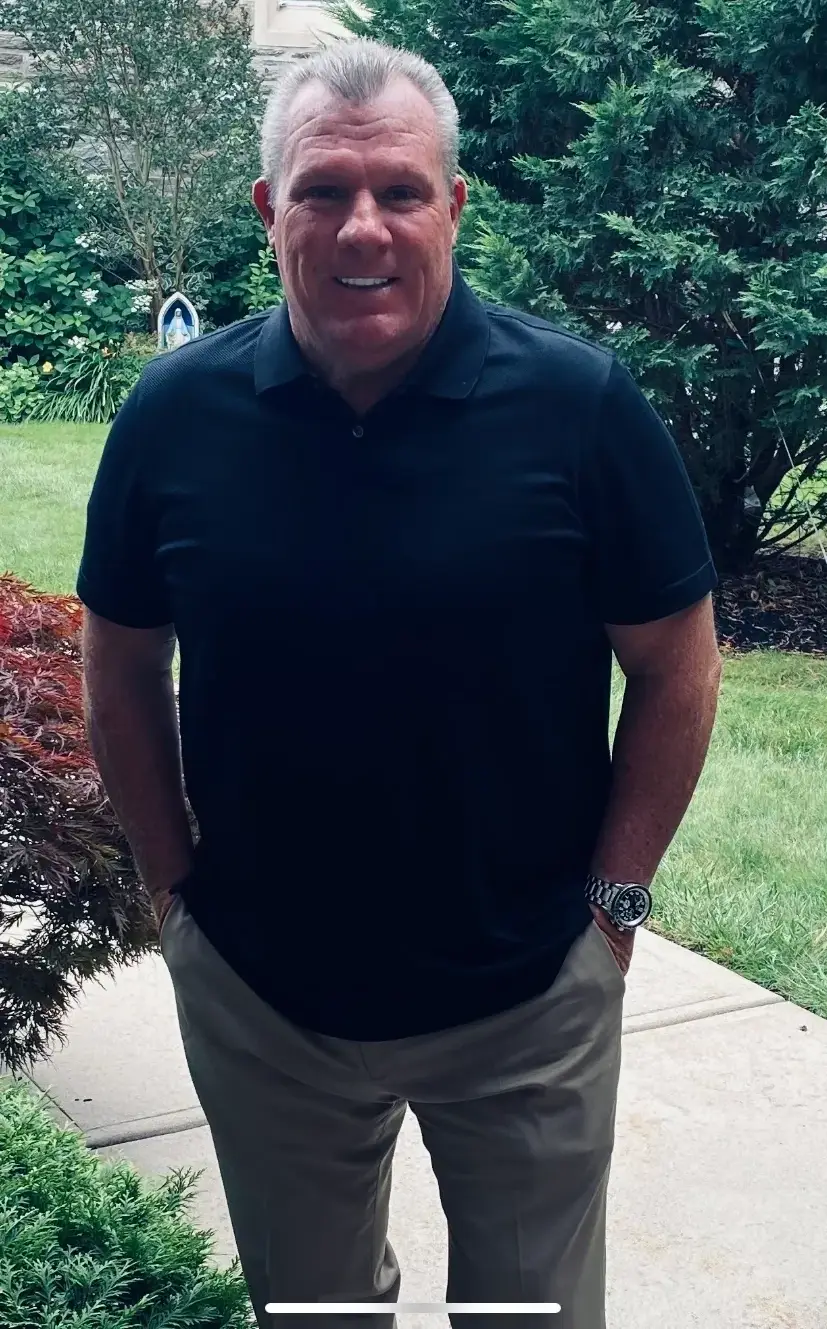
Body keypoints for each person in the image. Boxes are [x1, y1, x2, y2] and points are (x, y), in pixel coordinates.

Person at [77, 38, 722, 1329]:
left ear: (453, 205)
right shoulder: (173, 418)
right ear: (270, 213)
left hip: (530, 996)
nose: (361, 225)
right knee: (314, 1318)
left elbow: (677, 666)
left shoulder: (578, 407)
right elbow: (122, 662)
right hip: (266, 1000)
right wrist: (174, 896)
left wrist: (614, 906)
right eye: (323, 191)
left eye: (399, 190)